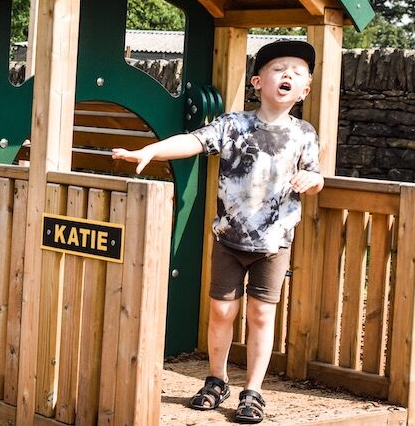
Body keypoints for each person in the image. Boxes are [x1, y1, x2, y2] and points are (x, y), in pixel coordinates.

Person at [112, 40, 324, 424]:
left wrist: (312, 180)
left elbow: (315, 175)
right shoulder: (233, 125)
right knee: (222, 311)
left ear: (305, 90)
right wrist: (151, 151)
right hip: (229, 239)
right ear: (258, 82)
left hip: (274, 244)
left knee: (261, 315)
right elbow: (193, 141)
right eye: (279, 69)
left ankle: (253, 391)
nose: (288, 75)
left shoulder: (304, 134)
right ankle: (216, 379)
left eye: (297, 72)